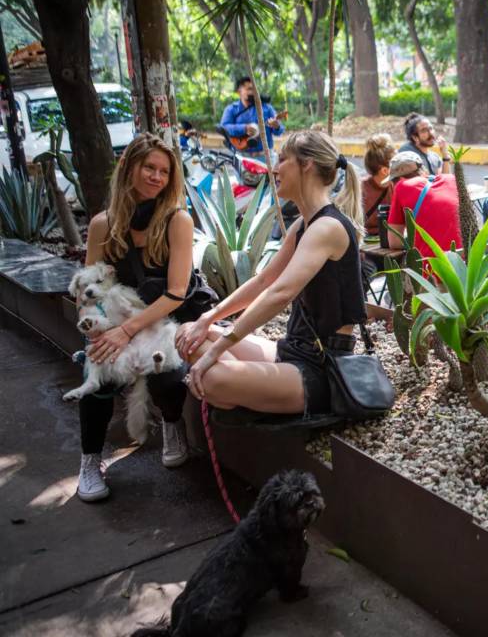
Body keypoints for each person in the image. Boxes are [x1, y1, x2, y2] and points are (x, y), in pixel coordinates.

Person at [177, 131, 366, 418]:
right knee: (189, 334)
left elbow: (280, 292)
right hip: (291, 350)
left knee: (213, 378)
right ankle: (241, 389)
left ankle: (230, 386)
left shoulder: (327, 228)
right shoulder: (304, 225)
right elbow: (265, 280)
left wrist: (216, 353)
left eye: (282, 159)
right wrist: (208, 318)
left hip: (320, 369)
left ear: (307, 165)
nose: (274, 169)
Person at [75, 133, 201, 502]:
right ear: (129, 168)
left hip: (163, 320)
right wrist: (102, 332)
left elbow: (176, 292)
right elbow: (87, 290)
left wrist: (130, 330)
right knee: (96, 372)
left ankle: (172, 423)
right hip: (114, 321)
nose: (157, 177)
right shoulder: (103, 224)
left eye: (164, 171)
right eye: (149, 167)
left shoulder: (178, 221)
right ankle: (89, 459)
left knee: (167, 368)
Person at [385, 151, 462, 258]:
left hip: (432, 269)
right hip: (466, 265)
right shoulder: (450, 179)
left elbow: (394, 242)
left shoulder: (402, 186)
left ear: (399, 180)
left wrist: (413, 234)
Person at [220, 76, 285, 158]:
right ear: (239, 91)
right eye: (249, 89)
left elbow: (280, 131)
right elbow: (223, 127)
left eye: (254, 89)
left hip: (266, 156)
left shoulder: (266, 108)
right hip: (242, 156)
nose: (252, 91)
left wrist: (276, 126)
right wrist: (244, 128)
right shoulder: (231, 109)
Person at [361, 133, 395, 235]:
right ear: (385, 170)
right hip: (364, 244)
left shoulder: (397, 186)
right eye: (397, 162)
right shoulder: (360, 189)